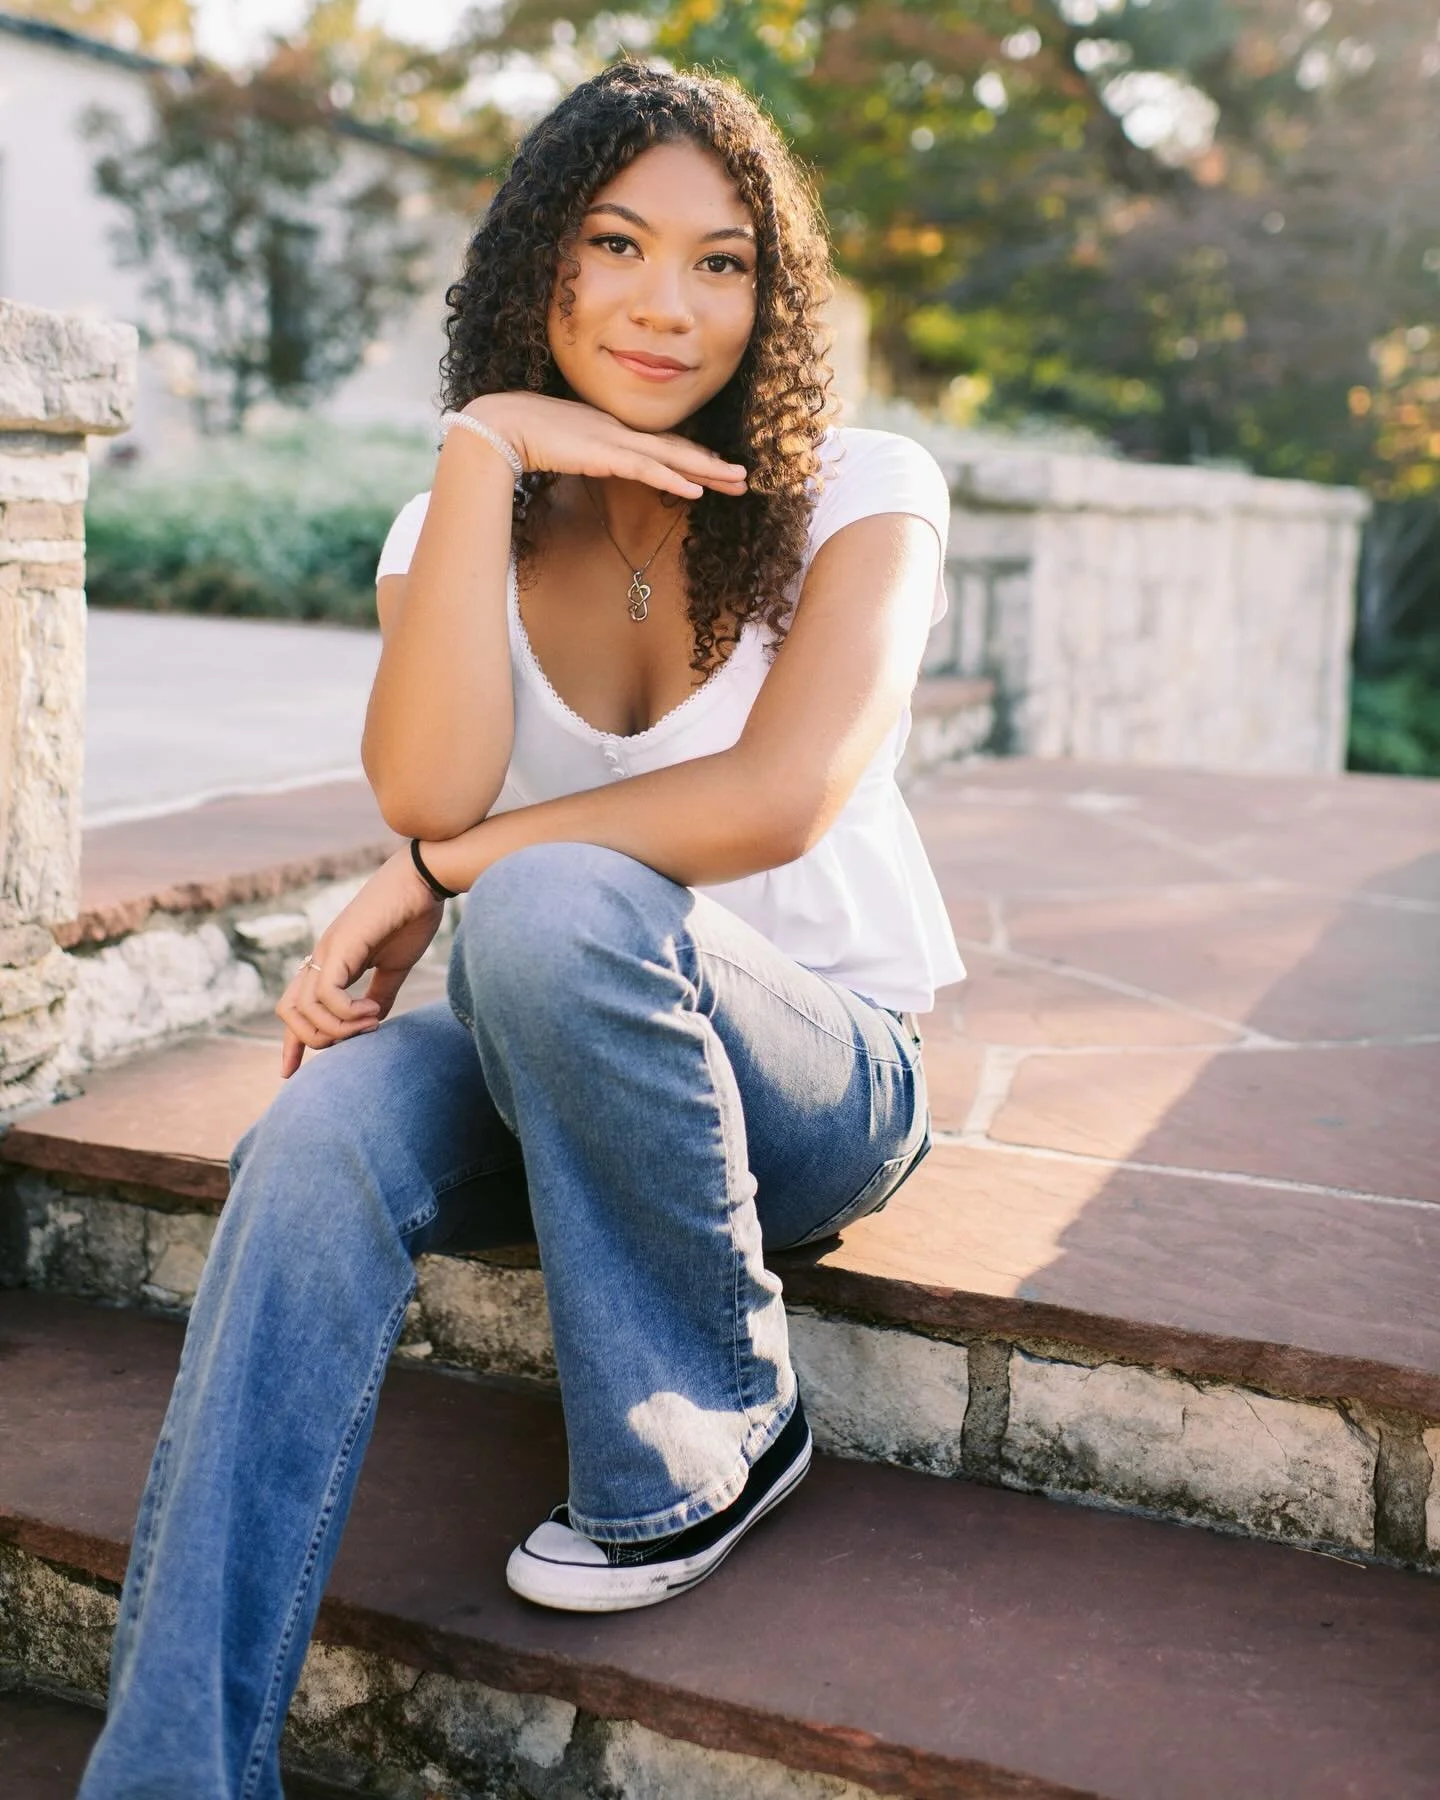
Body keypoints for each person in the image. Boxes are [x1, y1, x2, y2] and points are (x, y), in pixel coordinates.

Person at [79, 58, 964, 1799]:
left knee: (547, 894)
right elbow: (428, 779)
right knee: (323, 1122)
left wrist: (436, 875)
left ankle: (705, 1431)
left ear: (772, 299)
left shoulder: (865, 490)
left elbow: (772, 802)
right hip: (551, 1056)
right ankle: (174, 1769)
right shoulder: (452, 523)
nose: (663, 303)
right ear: (536, 258)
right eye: (617, 242)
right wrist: (482, 452)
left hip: (820, 1084)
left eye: (722, 263)